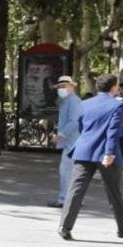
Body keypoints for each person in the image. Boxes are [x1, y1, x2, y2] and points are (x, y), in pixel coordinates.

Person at [57, 74, 123, 242]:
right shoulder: (117, 105)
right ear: (114, 87)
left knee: (76, 189)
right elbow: (112, 130)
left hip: (84, 149)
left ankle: (64, 226)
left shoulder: (85, 103)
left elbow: (81, 126)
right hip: (105, 152)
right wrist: (109, 152)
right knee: (113, 190)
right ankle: (122, 226)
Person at [48, 76, 83, 208]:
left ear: (71, 86)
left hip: (72, 142)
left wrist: (61, 135)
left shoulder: (74, 101)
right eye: (60, 87)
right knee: (71, 172)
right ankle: (74, 199)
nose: (61, 89)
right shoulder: (68, 101)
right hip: (71, 141)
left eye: (64, 86)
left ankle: (64, 199)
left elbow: (74, 122)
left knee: (66, 171)